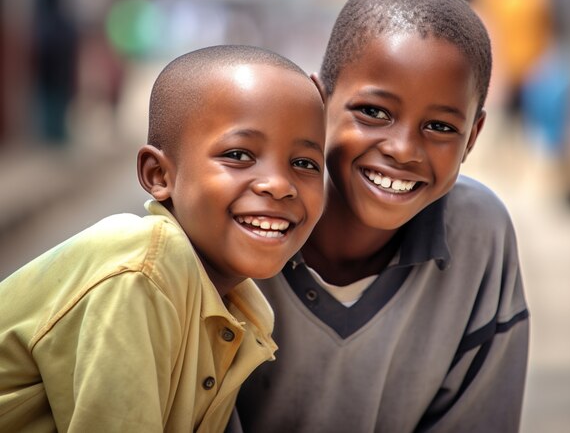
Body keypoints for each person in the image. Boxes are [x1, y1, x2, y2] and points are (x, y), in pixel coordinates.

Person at [235, 0, 529, 432]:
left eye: (440, 127)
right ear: (319, 101)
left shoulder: (478, 237)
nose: (403, 149)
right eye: (374, 112)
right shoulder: (242, 222)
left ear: (472, 137)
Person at [0, 45, 326, 432]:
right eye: (238, 154)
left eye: (305, 164)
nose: (279, 185)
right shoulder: (141, 273)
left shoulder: (246, 308)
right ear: (158, 175)